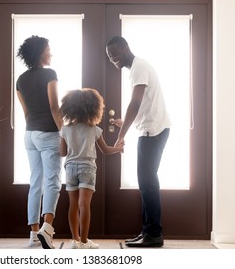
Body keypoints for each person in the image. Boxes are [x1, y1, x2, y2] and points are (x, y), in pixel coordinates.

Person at [106, 36, 171, 247]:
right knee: (146, 182)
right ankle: (148, 232)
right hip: (150, 129)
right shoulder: (136, 68)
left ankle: (153, 234)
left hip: (153, 131)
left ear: (126, 49)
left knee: (147, 182)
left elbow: (135, 102)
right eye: (109, 56)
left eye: (115, 53)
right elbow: (143, 105)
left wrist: (121, 134)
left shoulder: (139, 67)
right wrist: (125, 123)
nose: (112, 59)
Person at [59, 88, 124, 249]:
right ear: (94, 108)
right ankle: (85, 241)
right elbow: (106, 150)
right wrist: (119, 148)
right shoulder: (94, 129)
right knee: (84, 205)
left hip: (70, 168)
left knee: (73, 205)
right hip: (87, 168)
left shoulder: (65, 129)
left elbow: (62, 152)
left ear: (69, 108)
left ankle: (75, 240)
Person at [16, 35, 62, 249]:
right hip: (48, 133)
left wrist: (34, 127)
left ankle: (34, 233)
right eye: (48, 49)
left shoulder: (21, 80)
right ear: (40, 52)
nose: (50, 52)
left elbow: (26, 112)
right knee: (52, 181)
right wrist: (64, 132)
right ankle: (47, 229)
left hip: (30, 134)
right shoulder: (50, 74)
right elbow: (54, 107)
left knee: (35, 181)